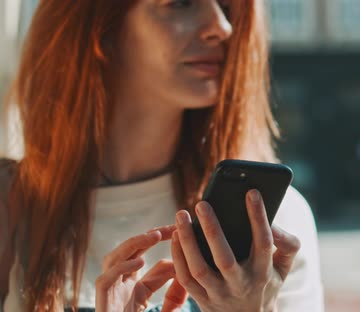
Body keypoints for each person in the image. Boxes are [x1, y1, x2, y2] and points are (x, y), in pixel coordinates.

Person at [0, 0, 323, 311]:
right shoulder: (12, 208)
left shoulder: (273, 223)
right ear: (100, 27)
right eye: (181, 3)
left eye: (227, 7)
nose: (222, 27)